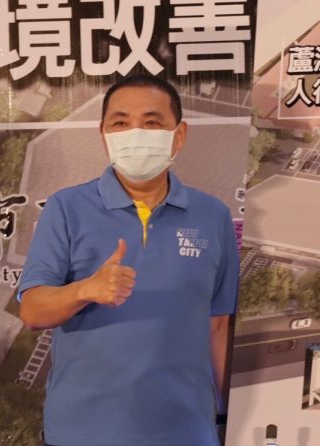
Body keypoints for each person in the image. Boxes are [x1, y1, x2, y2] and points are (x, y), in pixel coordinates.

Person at [18, 74, 239, 446]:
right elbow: (32, 312)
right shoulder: (66, 207)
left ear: (179, 135)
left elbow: (218, 326)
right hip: (84, 433)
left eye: (151, 122)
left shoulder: (213, 215)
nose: (135, 134)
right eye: (121, 123)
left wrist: (227, 415)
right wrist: (84, 290)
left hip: (187, 432)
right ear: (104, 135)